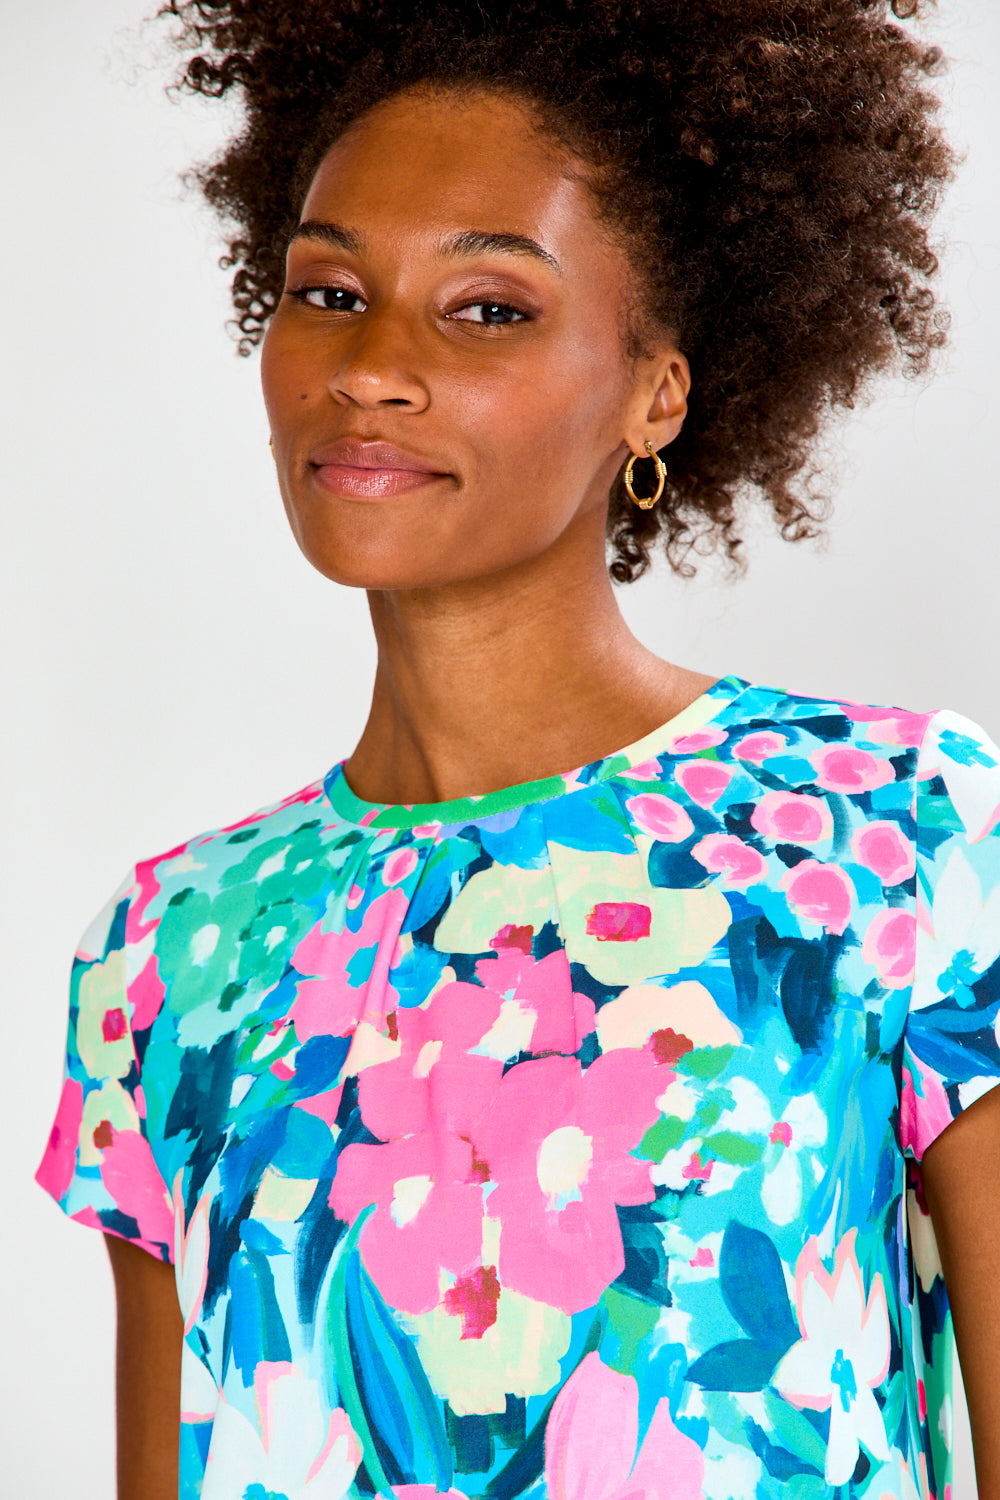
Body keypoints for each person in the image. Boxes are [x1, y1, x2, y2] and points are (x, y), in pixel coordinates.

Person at [34, 2, 1000, 1497]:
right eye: (330, 292)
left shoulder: (897, 830)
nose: (373, 369)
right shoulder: (171, 947)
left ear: (655, 391)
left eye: (488, 307)